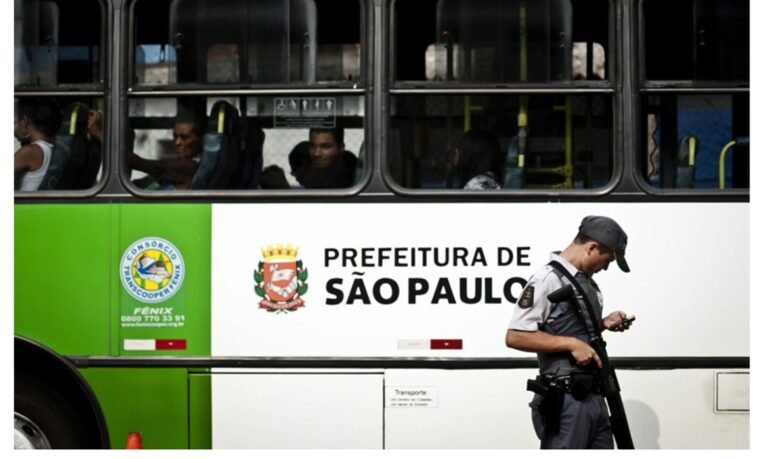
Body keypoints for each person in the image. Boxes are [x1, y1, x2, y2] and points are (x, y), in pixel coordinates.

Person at [505, 215, 633, 449]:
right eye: (608, 260)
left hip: (593, 395)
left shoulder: (584, 281)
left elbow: (565, 325)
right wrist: (572, 344)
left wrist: (603, 323)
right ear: (592, 248)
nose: (606, 267)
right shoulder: (547, 280)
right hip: (567, 399)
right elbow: (516, 336)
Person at [130, 111, 204, 190]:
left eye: (185, 137)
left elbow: (154, 167)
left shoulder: (192, 167)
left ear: (199, 140)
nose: (177, 142)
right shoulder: (171, 170)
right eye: (175, 136)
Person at [14, 98, 63, 191]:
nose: (15, 128)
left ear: (24, 121)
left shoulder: (31, 151)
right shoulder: (52, 148)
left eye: (15, 122)